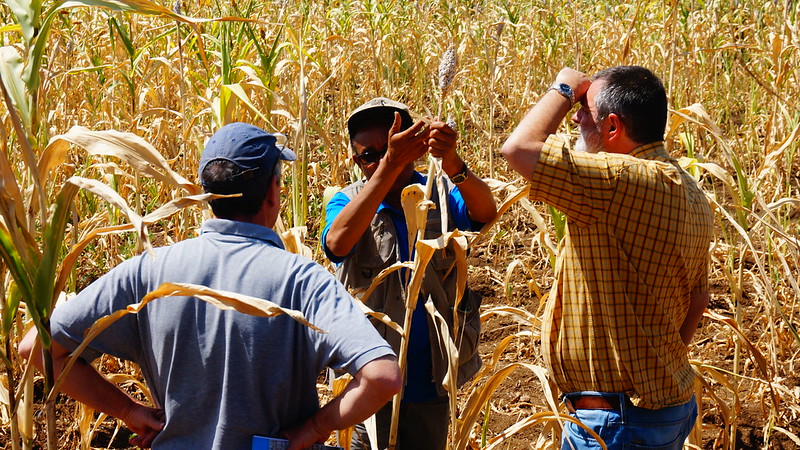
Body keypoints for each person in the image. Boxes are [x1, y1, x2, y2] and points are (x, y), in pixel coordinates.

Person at [19, 122, 402, 450]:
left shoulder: (148, 270)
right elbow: (382, 376)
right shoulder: (303, 281)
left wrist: (128, 411)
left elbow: (37, 347)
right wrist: (314, 428)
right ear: (272, 191)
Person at [501, 66, 714, 449]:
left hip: (618, 424)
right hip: (662, 408)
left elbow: (519, 148)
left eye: (582, 109)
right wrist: (654, 369)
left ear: (612, 127)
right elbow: (698, 300)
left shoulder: (618, 180)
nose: (575, 117)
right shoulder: (692, 192)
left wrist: (564, 84)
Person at [321, 98, 497, 449]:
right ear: (357, 161)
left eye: (392, 147)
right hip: (368, 379)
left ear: (415, 146)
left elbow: (484, 213)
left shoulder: (440, 192)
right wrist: (390, 164)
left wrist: (451, 162)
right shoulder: (346, 201)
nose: (382, 159)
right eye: (369, 156)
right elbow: (338, 244)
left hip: (430, 375)